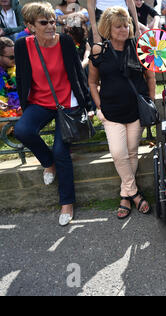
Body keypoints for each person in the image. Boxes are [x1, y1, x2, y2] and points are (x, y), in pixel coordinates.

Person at [14, 1, 92, 226]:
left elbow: (78, 74)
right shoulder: (22, 45)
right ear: (30, 26)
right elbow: (22, 79)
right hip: (40, 102)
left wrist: (88, 105)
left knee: (61, 150)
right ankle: (48, 163)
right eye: (44, 22)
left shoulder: (65, 42)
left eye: (52, 21)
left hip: (67, 102)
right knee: (22, 130)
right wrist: (25, 106)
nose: (50, 26)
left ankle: (66, 203)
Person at [88, 6, 154, 219]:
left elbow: (150, 78)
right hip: (111, 112)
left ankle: (125, 195)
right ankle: (134, 193)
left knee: (131, 153)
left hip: (135, 111)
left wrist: (150, 102)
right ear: (108, 27)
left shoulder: (139, 46)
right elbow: (91, 82)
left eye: (126, 24)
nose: (124, 29)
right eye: (118, 26)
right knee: (118, 153)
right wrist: (99, 106)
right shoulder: (99, 50)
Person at [0, 36, 20, 121]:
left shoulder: (18, 70)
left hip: (16, 110)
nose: (15, 59)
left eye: (17, 55)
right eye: (11, 57)